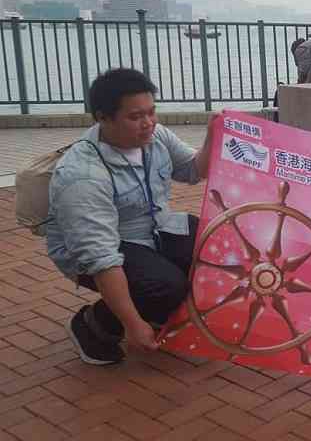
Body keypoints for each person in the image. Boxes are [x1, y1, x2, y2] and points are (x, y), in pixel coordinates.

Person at [47, 68, 215, 365]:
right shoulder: (82, 175)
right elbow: (102, 258)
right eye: (136, 116)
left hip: (154, 227)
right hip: (105, 247)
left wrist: (214, 136)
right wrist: (133, 324)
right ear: (103, 118)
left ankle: (156, 308)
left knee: (215, 248)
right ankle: (94, 326)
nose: (148, 123)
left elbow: (192, 170)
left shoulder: (155, 136)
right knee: (167, 286)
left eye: (152, 112)